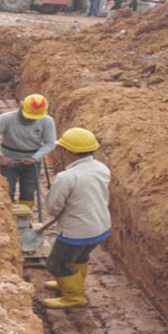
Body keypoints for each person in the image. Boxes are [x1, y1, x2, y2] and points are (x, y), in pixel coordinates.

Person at [41, 128, 111, 309]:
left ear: (69, 152)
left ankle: (74, 297)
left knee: (56, 263)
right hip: (101, 225)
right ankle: (69, 282)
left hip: (77, 231)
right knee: (80, 257)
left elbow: (54, 206)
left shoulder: (67, 177)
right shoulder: (101, 168)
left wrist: (54, 212)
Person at [0, 94, 57, 212]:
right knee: (7, 191)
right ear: (22, 107)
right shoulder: (6, 118)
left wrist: (34, 158)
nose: (32, 119)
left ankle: (25, 217)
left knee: (28, 191)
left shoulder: (47, 121)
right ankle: (10, 218)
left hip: (32, 162)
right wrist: (0, 156)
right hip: (8, 161)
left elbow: (50, 143)